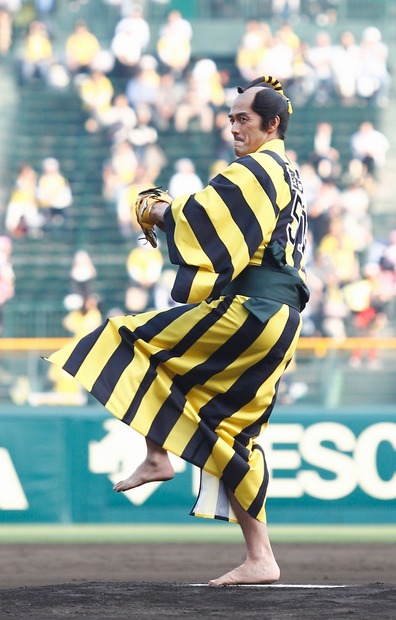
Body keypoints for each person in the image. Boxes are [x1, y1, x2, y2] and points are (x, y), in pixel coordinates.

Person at [45, 75, 310, 586]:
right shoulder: (291, 175)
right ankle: (261, 557)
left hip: (252, 310)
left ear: (272, 124)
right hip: (282, 320)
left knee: (123, 338)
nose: (234, 127)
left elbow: (203, 221)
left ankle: (156, 456)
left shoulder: (260, 167)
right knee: (234, 436)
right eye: (231, 119)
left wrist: (157, 209)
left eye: (244, 119)